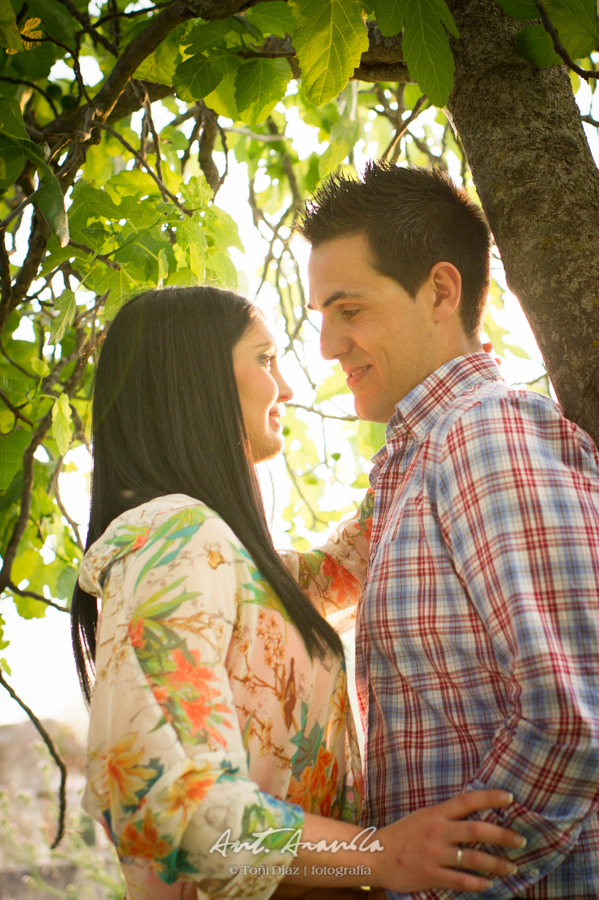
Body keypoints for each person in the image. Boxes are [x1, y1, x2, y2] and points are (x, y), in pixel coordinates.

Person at [71, 286, 523, 900]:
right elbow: (161, 804)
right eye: (264, 359)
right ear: (193, 379)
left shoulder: (230, 557)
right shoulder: (174, 536)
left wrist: (449, 374)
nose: (285, 388)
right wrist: (378, 856)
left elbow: (347, 560)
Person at [297, 161, 599, 899]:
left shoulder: (482, 434)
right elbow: (304, 583)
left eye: (350, 310)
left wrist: (429, 886)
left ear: (438, 290)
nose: (328, 346)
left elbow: (573, 716)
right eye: (320, 319)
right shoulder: (413, 462)